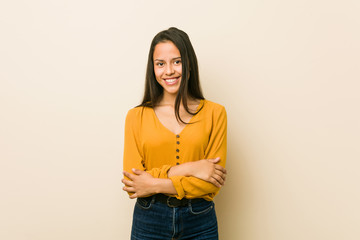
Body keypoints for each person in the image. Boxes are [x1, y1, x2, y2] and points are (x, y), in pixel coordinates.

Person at [122, 27, 227, 240]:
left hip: (200, 220)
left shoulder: (216, 113)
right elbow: (133, 183)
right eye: (160, 64)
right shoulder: (136, 116)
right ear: (153, 69)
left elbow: (211, 184)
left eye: (176, 61)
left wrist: (153, 183)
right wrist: (193, 167)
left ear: (189, 64)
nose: (169, 71)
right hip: (149, 220)